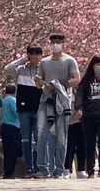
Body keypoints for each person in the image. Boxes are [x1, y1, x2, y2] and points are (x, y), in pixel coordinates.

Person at [35, 32, 80, 178]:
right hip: (45, 101)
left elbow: (76, 79)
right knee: (42, 134)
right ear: (50, 43)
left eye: (58, 41)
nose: (56, 44)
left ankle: (59, 169)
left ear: (63, 43)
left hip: (62, 102)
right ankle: (42, 168)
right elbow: (38, 81)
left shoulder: (70, 61)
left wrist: (60, 84)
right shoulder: (44, 62)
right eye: (53, 41)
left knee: (61, 137)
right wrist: (39, 81)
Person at [5, 45, 44, 177]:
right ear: (28, 55)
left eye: (38, 54)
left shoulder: (43, 70)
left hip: (39, 109)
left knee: (39, 139)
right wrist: (22, 59)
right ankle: (29, 168)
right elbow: (8, 69)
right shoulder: (21, 70)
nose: (35, 56)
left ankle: (39, 167)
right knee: (26, 139)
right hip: (24, 109)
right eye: (32, 54)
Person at [76, 55, 100, 178]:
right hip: (88, 116)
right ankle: (90, 170)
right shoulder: (86, 80)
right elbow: (79, 95)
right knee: (90, 143)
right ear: (92, 66)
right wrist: (79, 108)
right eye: (97, 64)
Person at [1, 83, 22, 178]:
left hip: (4, 126)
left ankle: (6, 171)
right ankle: (11, 171)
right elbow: (16, 112)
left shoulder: (4, 100)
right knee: (13, 150)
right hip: (13, 127)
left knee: (6, 150)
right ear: (15, 91)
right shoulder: (13, 100)